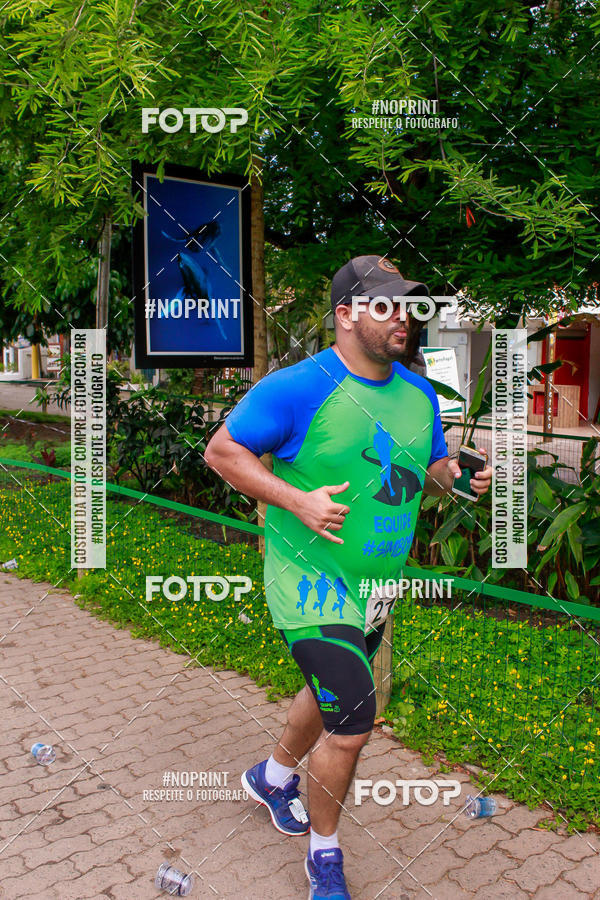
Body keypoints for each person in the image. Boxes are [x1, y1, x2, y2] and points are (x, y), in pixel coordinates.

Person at [204, 255, 492, 899]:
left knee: (333, 690)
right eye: (385, 305)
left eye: (409, 306)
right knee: (355, 720)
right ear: (345, 315)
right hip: (309, 582)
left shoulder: (418, 393)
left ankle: (272, 779)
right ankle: (324, 857)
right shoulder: (298, 387)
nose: (403, 318)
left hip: (376, 585)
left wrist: (460, 476)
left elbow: (431, 469)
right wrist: (296, 499)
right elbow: (222, 451)